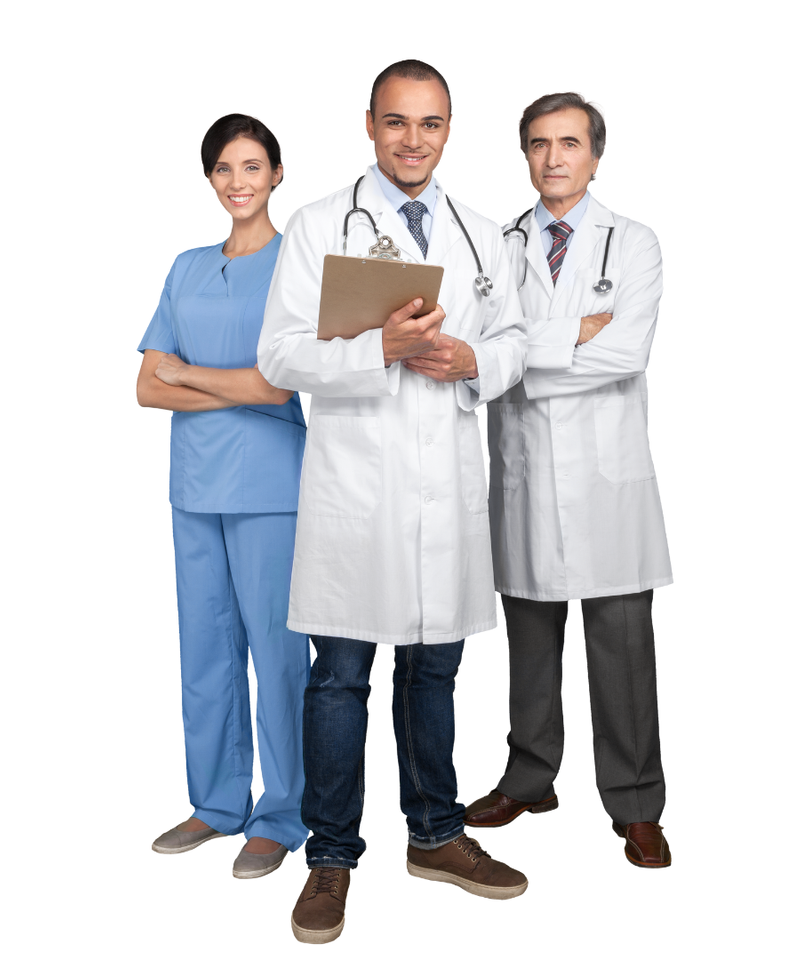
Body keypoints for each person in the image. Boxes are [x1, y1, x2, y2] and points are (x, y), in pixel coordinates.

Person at [257, 60, 529, 944]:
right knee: (340, 679)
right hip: (356, 491)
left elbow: (515, 339)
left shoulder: (482, 234)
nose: (414, 140)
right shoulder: (318, 225)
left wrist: (476, 361)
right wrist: (378, 348)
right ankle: (331, 857)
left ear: (449, 129)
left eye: (431, 123)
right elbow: (279, 356)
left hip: (444, 490)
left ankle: (436, 835)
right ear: (370, 124)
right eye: (398, 122)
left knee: (433, 672)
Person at [463, 93, 674, 869]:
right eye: (539, 144)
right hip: (524, 474)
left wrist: (526, 350)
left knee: (622, 649)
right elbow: (482, 357)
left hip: (608, 483)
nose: (554, 158)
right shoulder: (499, 247)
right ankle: (530, 779)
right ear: (525, 154)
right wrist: (567, 338)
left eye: (570, 143)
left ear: (595, 155)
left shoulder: (635, 243)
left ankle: (636, 804)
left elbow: (626, 355)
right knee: (530, 643)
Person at [137, 114, 310, 880]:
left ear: (277, 173)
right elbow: (147, 386)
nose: (238, 182)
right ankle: (215, 803)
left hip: (272, 487)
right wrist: (229, 384)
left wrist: (190, 374)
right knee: (205, 652)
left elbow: (280, 385)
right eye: (224, 169)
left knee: (278, 655)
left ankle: (283, 813)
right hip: (195, 486)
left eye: (252, 166)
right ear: (210, 178)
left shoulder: (297, 266)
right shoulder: (186, 268)